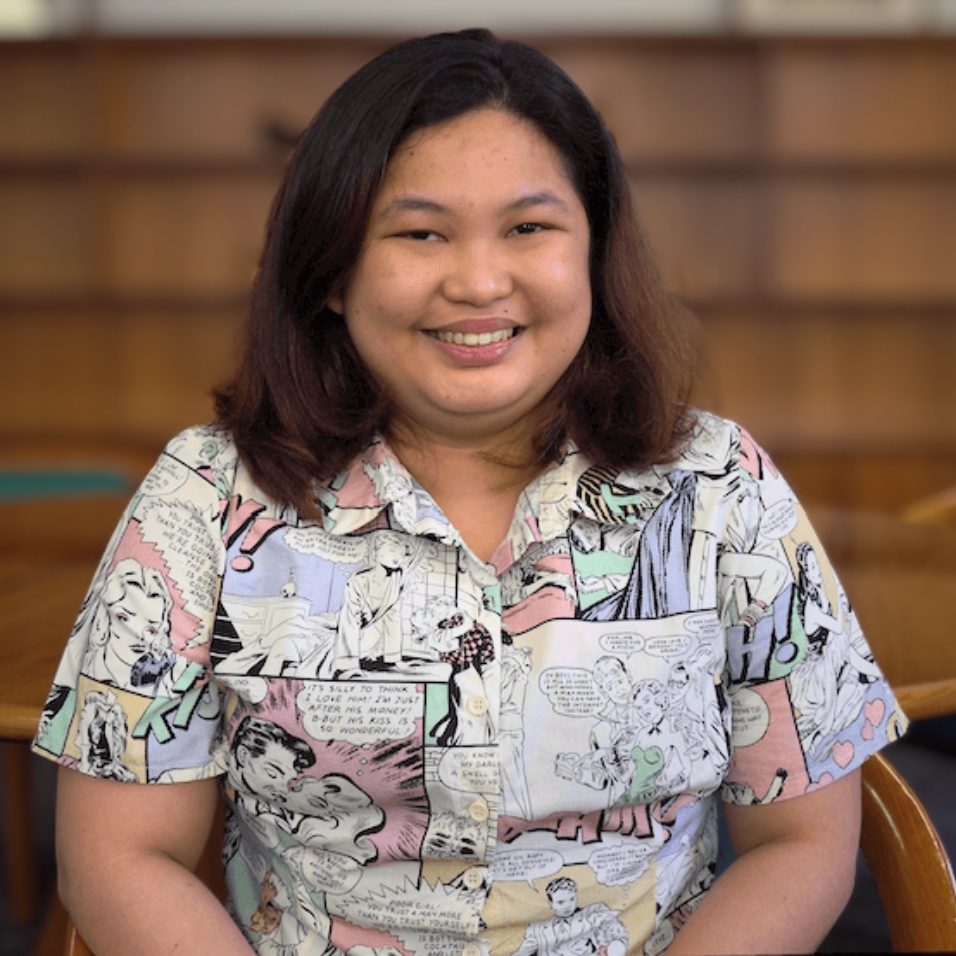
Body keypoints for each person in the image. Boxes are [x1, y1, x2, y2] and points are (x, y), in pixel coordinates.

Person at [34, 28, 906, 956]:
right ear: (331, 272)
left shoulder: (722, 486)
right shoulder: (207, 496)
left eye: (529, 228)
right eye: (420, 233)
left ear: (594, 253)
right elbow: (123, 856)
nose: (481, 282)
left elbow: (802, 838)